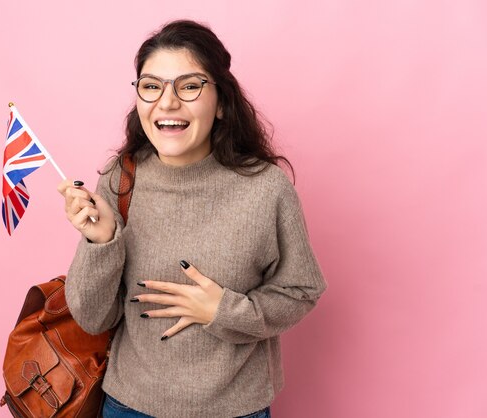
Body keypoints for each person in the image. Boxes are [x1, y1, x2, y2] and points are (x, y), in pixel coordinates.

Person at [58, 19, 327, 418]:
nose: (167, 103)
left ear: (221, 102)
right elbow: (93, 318)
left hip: (236, 409)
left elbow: (301, 290)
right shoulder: (120, 177)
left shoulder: (265, 188)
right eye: (151, 86)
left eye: (189, 86)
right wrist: (102, 242)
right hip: (129, 406)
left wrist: (223, 311)